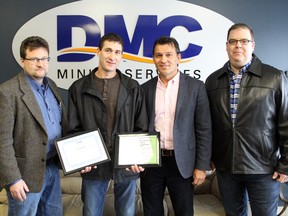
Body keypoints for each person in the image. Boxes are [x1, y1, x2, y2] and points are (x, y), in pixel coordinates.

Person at [205, 23, 288, 216]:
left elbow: (286, 123)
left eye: (244, 41)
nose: (238, 46)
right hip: (226, 169)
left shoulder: (274, 77)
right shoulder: (212, 81)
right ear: (226, 46)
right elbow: (208, 125)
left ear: (253, 45)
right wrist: (208, 156)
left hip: (263, 168)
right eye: (233, 41)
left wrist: (285, 164)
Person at [67, 33, 148, 216]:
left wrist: (138, 158)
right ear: (98, 52)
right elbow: (72, 128)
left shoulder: (133, 87)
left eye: (118, 52)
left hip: (126, 166)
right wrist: (80, 160)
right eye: (108, 50)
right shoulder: (78, 88)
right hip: (93, 166)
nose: (113, 57)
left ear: (122, 56)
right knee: (91, 213)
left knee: (126, 213)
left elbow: (141, 126)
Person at [138, 36, 212, 216]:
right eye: (158, 55)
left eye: (169, 55)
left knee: (184, 211)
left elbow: (204, 128)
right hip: (152, 162)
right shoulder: (144, 88)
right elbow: (139, 126)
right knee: (151, 211)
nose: (163, 60)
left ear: (179, 57)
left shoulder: (196, 87)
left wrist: (201, 166)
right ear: (153, 59)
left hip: (182, 162)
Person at [0, 36, 68, 215]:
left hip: (52, 167)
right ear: (23, 61)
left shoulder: (51, 85)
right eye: (35, 59)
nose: (41, 64)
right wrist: (13, 179)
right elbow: (2, 140)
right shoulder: (8, 92)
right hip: (25, 174)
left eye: (45, 59)